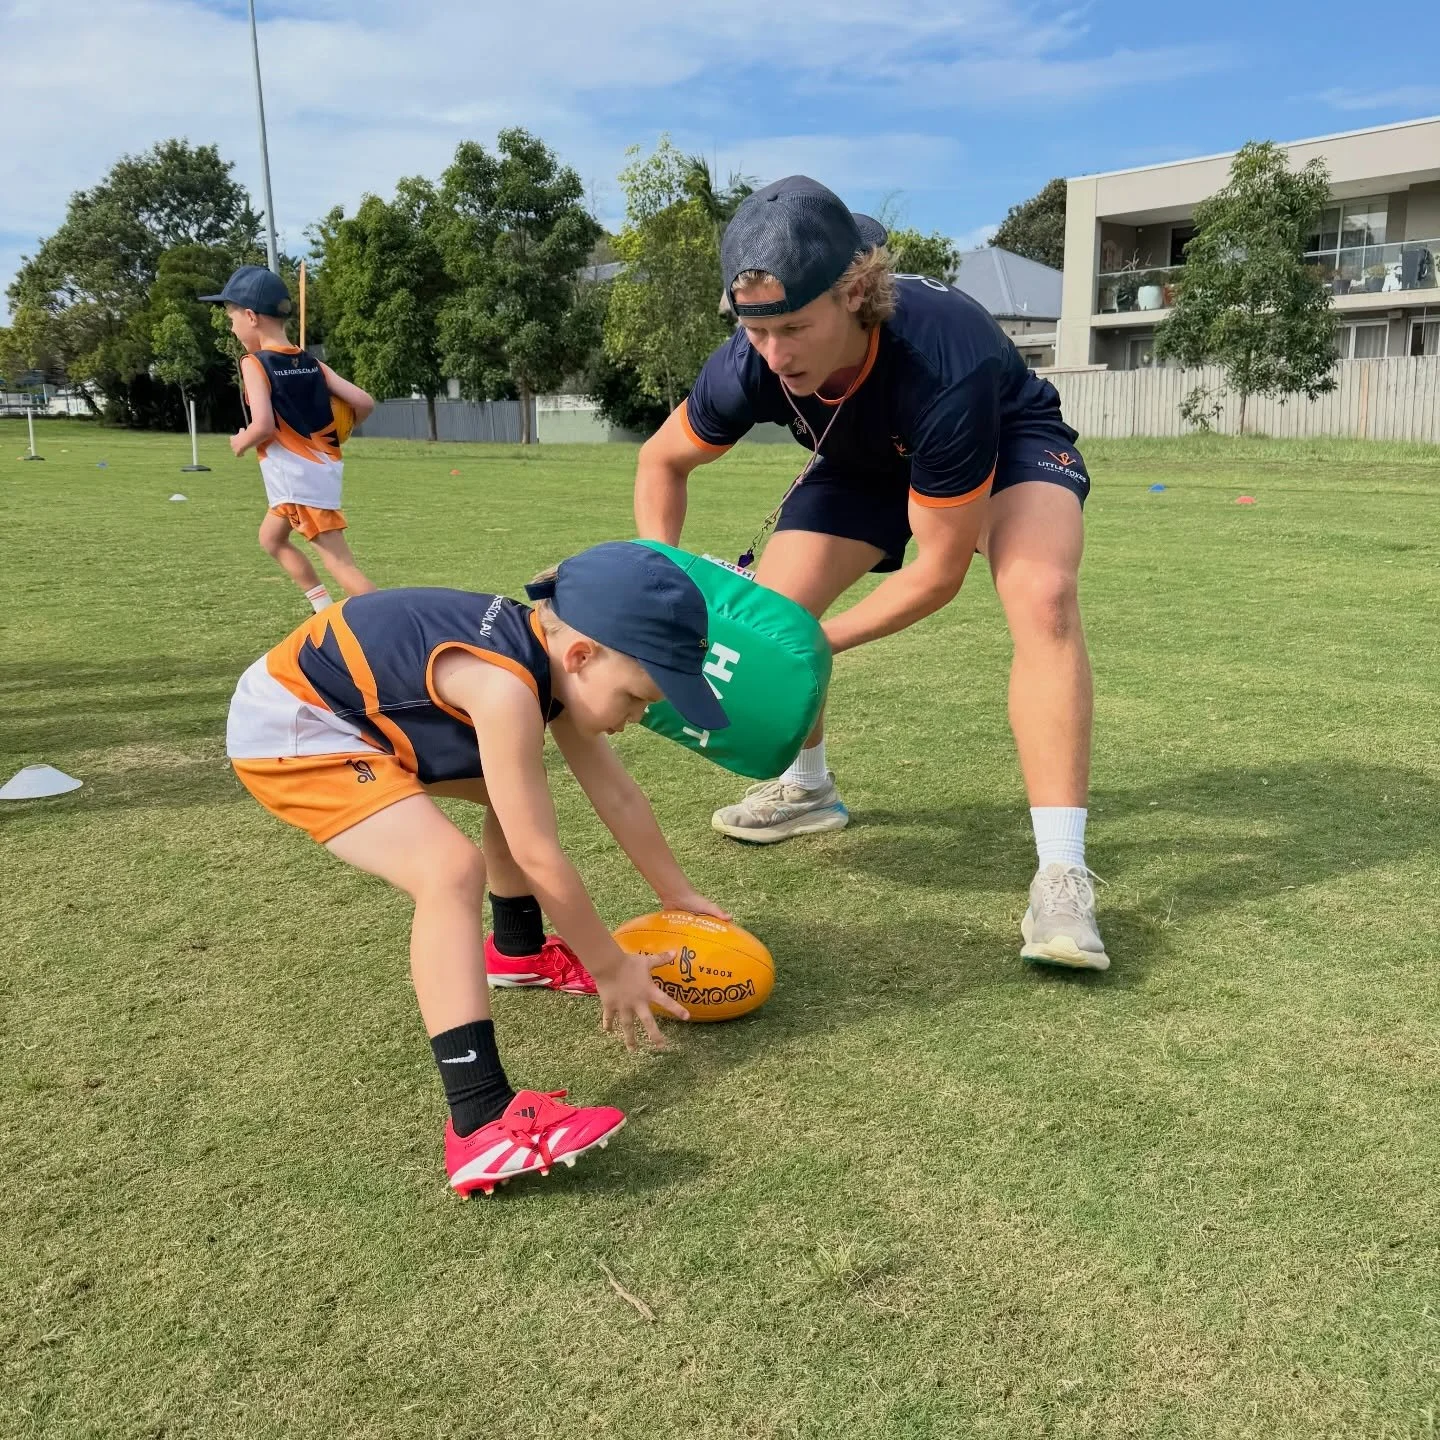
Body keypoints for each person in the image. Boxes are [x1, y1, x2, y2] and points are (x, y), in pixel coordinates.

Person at [633, 176, 1108, 970]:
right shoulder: (754, 356)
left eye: (793, 327)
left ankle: (1061, 872)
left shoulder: (941, 361)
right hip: (859, 457)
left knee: (1043, 593)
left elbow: (938, 571)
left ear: (856, 293)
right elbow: (661, 461)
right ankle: (808, 788)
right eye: (755, 332)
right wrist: (669, 574)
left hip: (998, 437)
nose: (775, 356)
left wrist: (806, 647)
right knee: (768, 608)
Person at [224, 541, 731, 1196]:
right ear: (580, 656)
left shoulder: (551, 667)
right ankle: (480, 1119)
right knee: (448, 870)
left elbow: (618, 794)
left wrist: (677, 892)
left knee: (513, 791)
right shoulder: (505, 688)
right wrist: (610, 967)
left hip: (346, 712)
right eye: (635, 699)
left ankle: (517, 951)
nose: (634, 720)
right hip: (294, 729)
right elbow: (537, 853)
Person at [202, 265, 377, 613]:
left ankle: (398, 630)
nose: (232, 326)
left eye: (232, 317)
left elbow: (264, 425)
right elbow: (364, 402)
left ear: (251, 316)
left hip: (299, 482)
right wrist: (340, 430)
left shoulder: (254, 363)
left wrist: (242, 440)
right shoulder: (310, 361)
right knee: (271, 538)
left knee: (341, 564)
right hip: (311, 474)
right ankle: (324, 611)